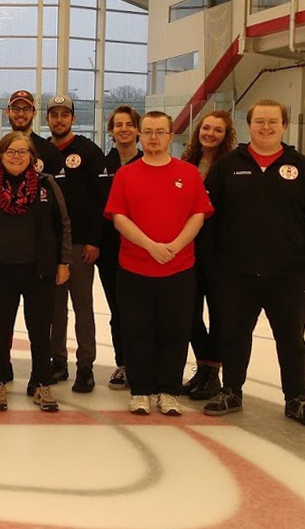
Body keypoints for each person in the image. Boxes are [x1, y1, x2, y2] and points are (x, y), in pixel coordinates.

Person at [204, 99, 305, 428]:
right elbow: (210, 218)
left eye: (272, 122)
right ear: (249, 125)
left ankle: (297, 397)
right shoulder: (227, 166)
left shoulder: (303, 167)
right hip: (235, 272)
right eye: (259, 122)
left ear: (284, 126)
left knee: (292, 338)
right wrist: (214, 264)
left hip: (290, 274)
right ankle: (231, 391)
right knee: (234, 334)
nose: (266, 127)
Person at [105, 111, 213, 417]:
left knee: (175, 330)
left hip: (179, 268)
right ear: (140, 135)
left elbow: (198, 214)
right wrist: (150, 246)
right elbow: (119, 217)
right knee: (136, 329)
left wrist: (175, 246)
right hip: (134, 268)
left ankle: (168, 390)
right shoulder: (126, 174)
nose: (153, 137)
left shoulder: (188, 173)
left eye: (160, 132)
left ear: (170, 136)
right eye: (148, 131)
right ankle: (140, 390)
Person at [0, 131, 70, 412]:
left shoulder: (46, 184)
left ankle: (41, 383)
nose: (16, 157)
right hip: (0, 270)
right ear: (0, 156)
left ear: (32, 157)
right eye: (11, 152)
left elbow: (63, 223)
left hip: (40, 270)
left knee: (40, 330)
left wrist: (64, 261)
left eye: (22, 152)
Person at [45, 95, 105, 393]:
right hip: (50, 247)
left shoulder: (89, 151)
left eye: (64, 115)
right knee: (55, 309)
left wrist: (94, 240)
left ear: (73, 118)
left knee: (83, 307)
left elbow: (100, 201)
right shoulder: (42, 151)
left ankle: (85, 366)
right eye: (54, 115)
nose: (59, 120)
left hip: (81, 245)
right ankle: (58, 361)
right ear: (47, 119)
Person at [179, 110, 236, 401]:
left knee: (218, 314)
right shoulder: (187, 162)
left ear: (226, 136)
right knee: (189, 312)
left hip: (219, 252)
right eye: (206, 128)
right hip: (189, 248)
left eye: (217, 130)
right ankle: (202, 367)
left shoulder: (230, 166)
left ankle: (213, 372)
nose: (210, 134)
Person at [98, 105, 142, 391]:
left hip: (144, 251)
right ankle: (124, 364)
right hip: (111, 252)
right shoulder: (102, 166)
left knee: (143, 311)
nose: (124, 129)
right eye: (118, 125)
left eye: (129, 124)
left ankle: (144, 364)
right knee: (118, 309)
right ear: (111, 131)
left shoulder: (149, 163)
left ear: (137, 130)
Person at [6, 90, 64, 176]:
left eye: (26, 109)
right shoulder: (0, 149)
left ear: (34, 113)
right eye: (16, 109)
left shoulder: (49, 151)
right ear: (7, 112)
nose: (21, 114)